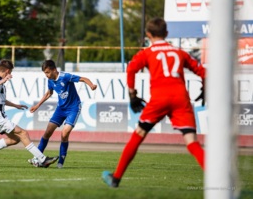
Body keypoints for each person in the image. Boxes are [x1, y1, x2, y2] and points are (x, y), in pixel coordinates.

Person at [102, 17, 206, 187]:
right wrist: (205, 87)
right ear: (166, 33)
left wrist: (132, 94)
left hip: (160, 98)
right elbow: (202, 71)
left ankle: (116, 177)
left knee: (139, 135)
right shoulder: (179, 52)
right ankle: (221, 182)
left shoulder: (147, 52)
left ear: (148, 34)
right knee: (192, 142)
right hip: (181, 98)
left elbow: (131, 69)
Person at [0, 59, 59, 168]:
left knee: (14, 139)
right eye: (10, 72)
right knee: (23, 133)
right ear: (7, 71)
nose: (10, 75)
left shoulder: (0, 83)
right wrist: (3, 81)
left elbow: (1, 100)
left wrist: (15, 105)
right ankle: (42, 159)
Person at [28, 60, 97, 168]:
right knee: (47, 133)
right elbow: (49, 93)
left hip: (73, 109)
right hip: (60, 109)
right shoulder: (50, 80)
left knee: (64, 134)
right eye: (45, 73)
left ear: (54, 70)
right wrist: (37, 106)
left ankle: (61, 162)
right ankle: (37, 157)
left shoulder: (65, 76)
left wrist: (91, 85)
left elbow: (83, 79)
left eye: (47, 72)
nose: (46, 75)